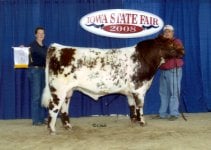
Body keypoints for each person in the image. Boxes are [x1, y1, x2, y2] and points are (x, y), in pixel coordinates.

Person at [158, 25, 185, 121]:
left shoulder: (176, 42)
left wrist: (171, 50)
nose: (166, 33)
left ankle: (174, 113)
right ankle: (162, 113)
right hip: (163, 70)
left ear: (172, 33)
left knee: (174, 92)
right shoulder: (161, 43)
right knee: (163, 93)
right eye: (165, 31)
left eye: (169, 31)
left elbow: (181, 53)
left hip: (174, 70)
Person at [28, 26, 47, 125]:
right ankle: (36, 120)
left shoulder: (45, 47)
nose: (41, 35)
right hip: (35, 71)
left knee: (42, 96)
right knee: (36, 96)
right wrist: (22, 49)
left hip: (43, 71)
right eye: (39, 33)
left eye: (42, 33)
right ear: (35, 34)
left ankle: (41, 118)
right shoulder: (32, 46)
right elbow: (24, 54)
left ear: (44, 35)